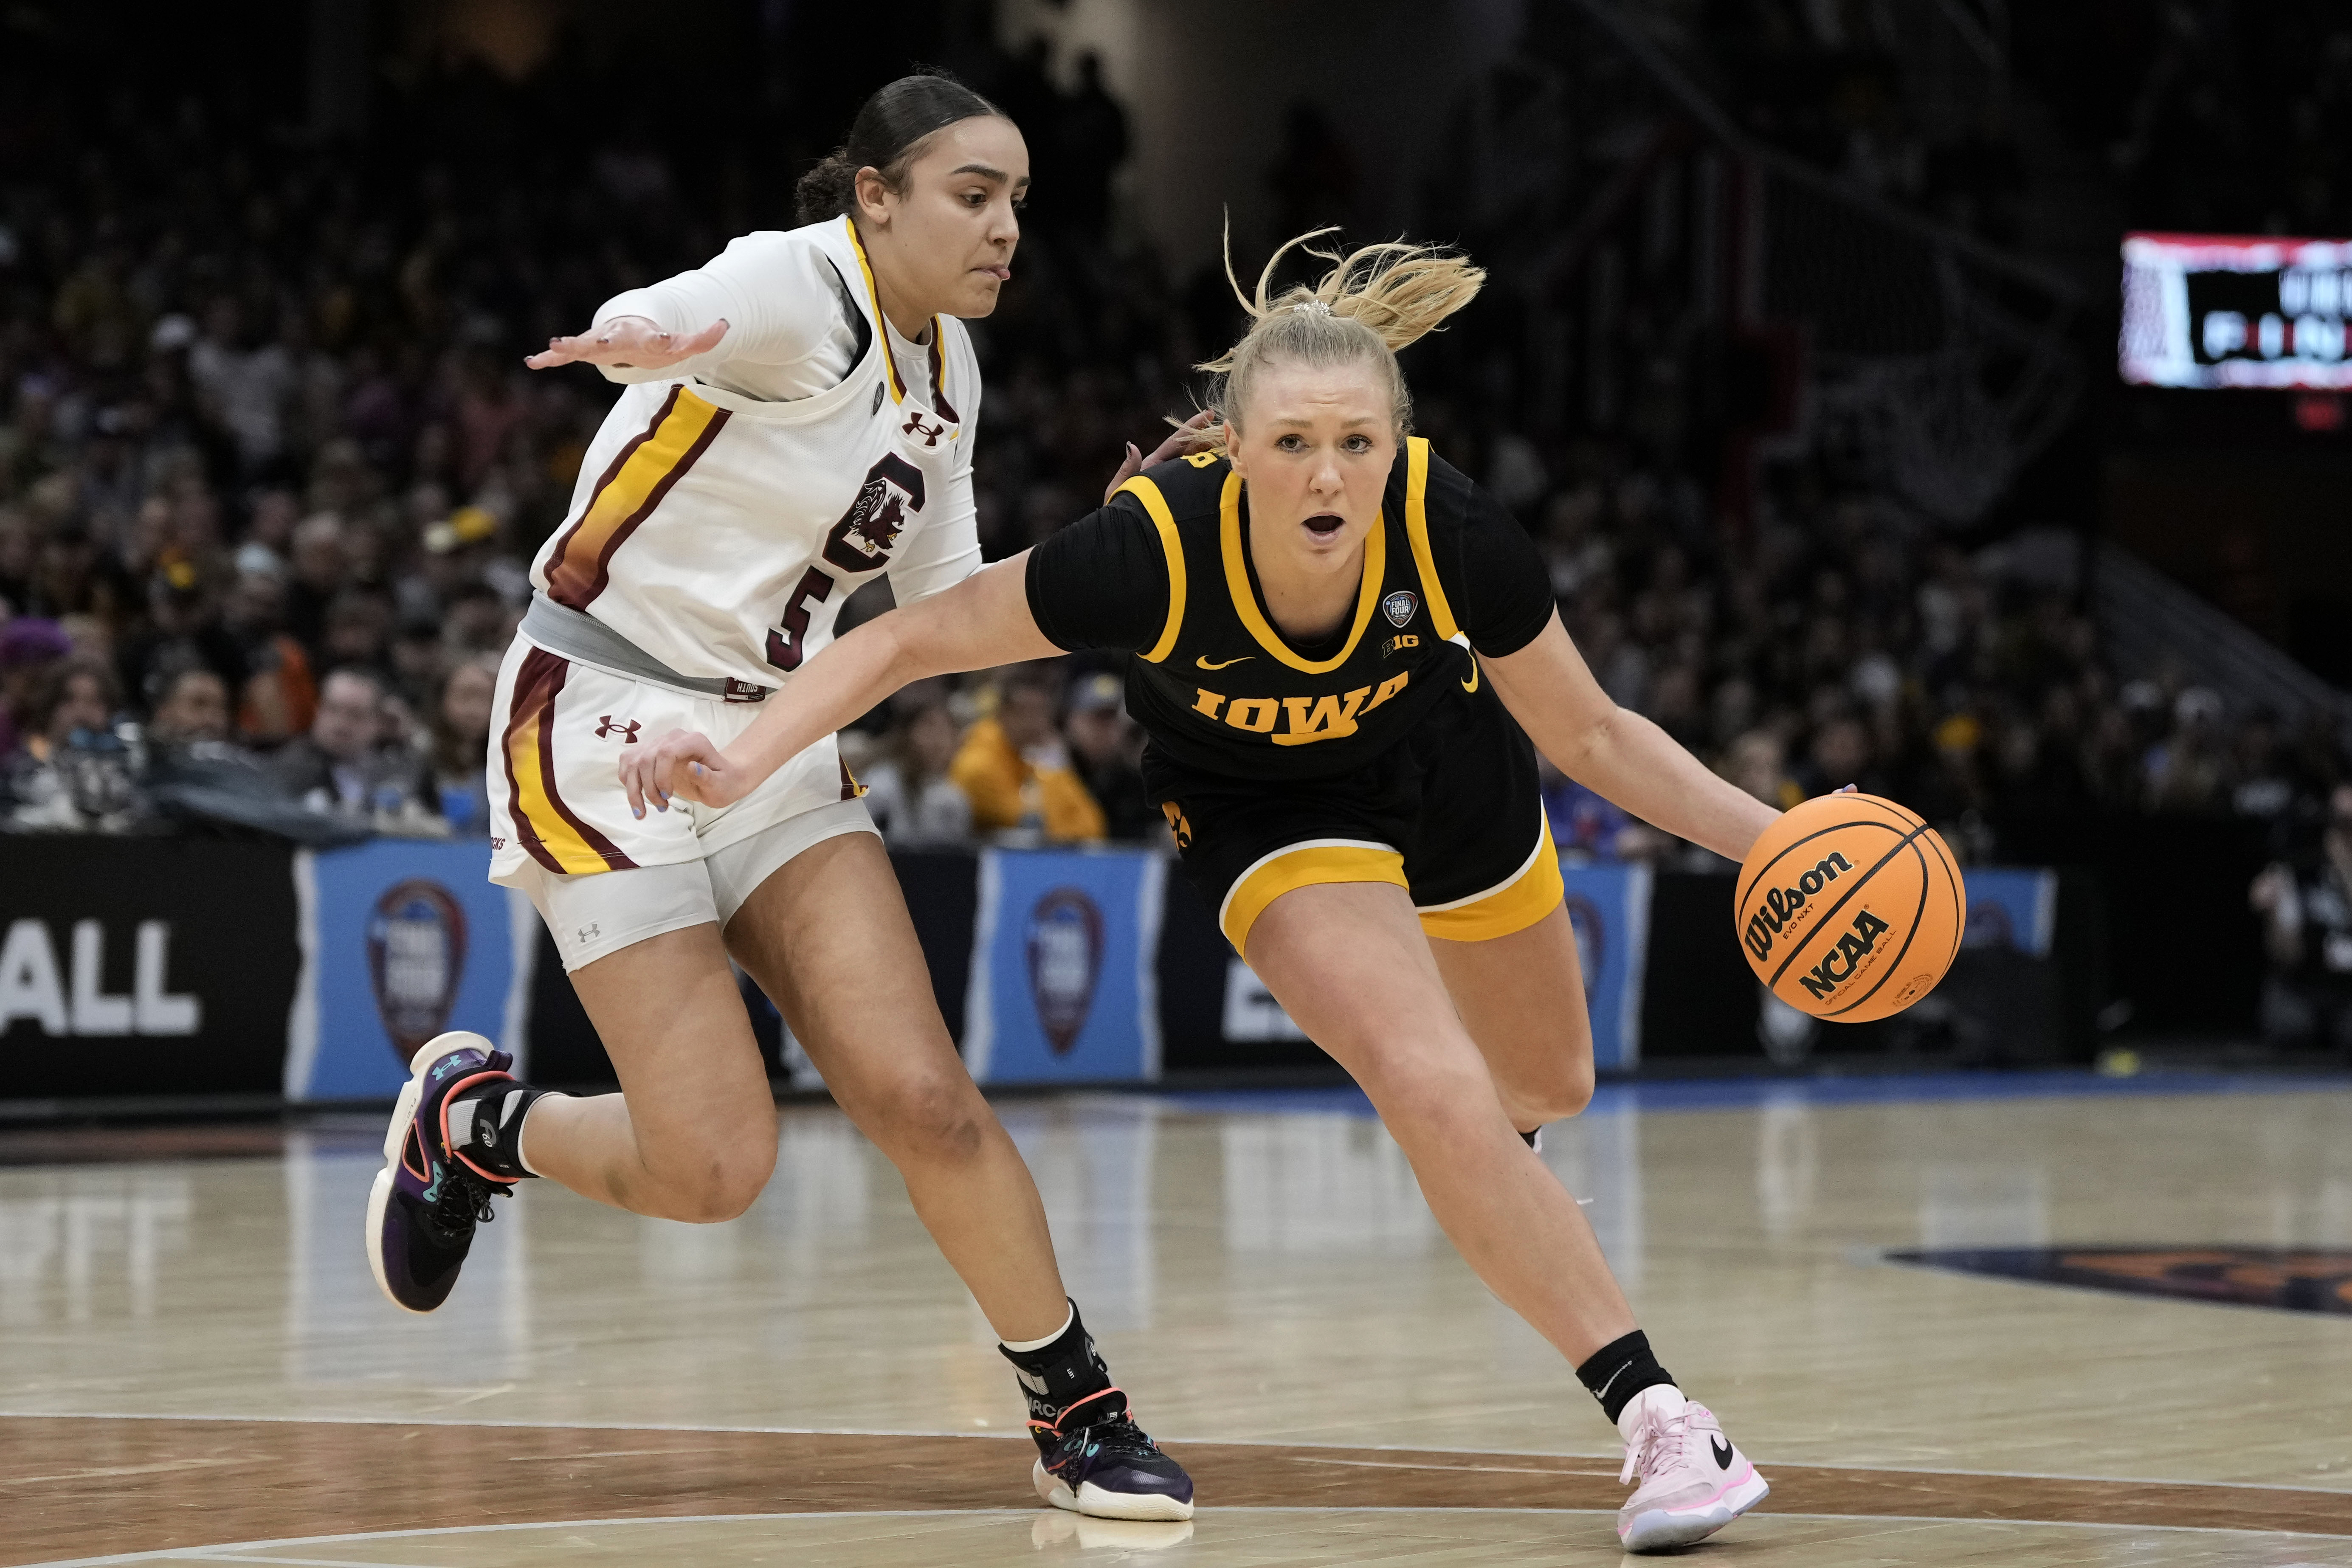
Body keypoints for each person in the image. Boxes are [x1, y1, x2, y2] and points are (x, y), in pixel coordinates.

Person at [625, 231, 1781, 1554]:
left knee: (1546, 1086)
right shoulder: (1145, 551)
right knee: (1427, 1080)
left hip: (1441, 763)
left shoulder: (1447, 523)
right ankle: (1661, 1421)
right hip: (1270, 809)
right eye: (1291, 442)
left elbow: (1594, 738)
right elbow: (906, 638)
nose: (1326, 471)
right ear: (1234, 449)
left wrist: (1785, 838)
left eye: (1355, 441)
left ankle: (1491, 1168)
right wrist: (738, 756)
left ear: (1396, 445)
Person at [363, 73, 1193, 1522]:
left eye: (1015, 204)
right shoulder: (794, 283)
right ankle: (477, 1123)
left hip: (772, 737)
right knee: (713, 1167)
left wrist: (1114, 545)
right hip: (598, 719)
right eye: (970, 195)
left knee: (923, 1096)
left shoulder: (951, 373)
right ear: (874, 195)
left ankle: (1075, 1407)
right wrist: (644, 332)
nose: (1003, 228)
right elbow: (692, 306)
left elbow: (942, 609)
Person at [949, 663, 1106, 841]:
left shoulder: (1024, 758)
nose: (1042, 722)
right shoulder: (978, 763)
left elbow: (1093, 822)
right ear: (1007, 710)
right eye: (1033, 712)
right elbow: (1031, 825)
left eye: (1044, 712)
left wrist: (1053, 760)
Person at [861, 684, 974, 847]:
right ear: (906, 734)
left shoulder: (953, 798)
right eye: (930, 728)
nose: (938, 741)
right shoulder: (879, 787)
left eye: (946, 731)